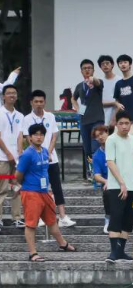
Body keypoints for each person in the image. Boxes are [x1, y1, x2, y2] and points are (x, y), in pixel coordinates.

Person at [13, 124, 76, 261]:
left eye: (41, 134)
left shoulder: (45, 151)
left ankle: (62, 244)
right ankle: (33, 253)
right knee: (31, 224)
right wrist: (20, 187)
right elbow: (17, 175)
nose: (39, 137)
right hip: (31, 193)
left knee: (52, 221)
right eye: (35, 134)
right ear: (30, 137)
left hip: (44, 192)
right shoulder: (27, 154)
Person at [23, 90, 75, 228]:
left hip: (51, 159)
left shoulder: (50, 116)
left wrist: (48, 152)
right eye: (36, 101)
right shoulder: (27, 119)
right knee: (39, 187)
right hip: (36, 160)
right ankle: (39, 216)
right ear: (31, 102)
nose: (39, 104)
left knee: (56, 186)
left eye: (41, 101)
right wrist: (39, 154)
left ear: (45, 102)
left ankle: (63, 216)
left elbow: (54, 135)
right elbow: (28, 138)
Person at [105, 111, 133, 262]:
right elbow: (110, 162)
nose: (124, 126)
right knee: (116, 216)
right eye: (121, 123)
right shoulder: (111, 140)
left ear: (131, 124)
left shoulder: (131, 138)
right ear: (116, 124)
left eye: (127, 123)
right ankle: (113, 252)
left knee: (129, 218)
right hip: (117, 186)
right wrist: (121, 183)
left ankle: (121, 251)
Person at [72, 60, 105, 167]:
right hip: (84, 121)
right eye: (84, 68)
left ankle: (99, 171)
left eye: (89, 68)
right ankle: (90, 171)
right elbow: (73, 98)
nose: (87, 70)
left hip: (97, 121)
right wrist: (77, 108)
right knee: (87, 150)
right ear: (81, 71)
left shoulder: (98, 82)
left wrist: (93, 79)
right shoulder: (79, 86)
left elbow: (98, 83)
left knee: (96, 147)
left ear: (93, 70)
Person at [0, 84, 23, 229]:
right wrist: (8, 153)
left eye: (14, 93)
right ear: (3, 96)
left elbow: (20, 135)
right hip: (2, 159)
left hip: (16, 160)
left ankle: (17, 218)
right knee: (2, 189)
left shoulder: (20, 115)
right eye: (9, 93)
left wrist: (19, 152)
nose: (12, 95)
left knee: (16, 187)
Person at [91, 125, 113, 233]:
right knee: (107, 191)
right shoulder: (96, 155)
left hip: (123, 180)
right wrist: (106, 181)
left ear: (107, 132)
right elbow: (97, 175)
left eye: (102, 133)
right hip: (108, 184)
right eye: (97, 136)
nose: (100, 137)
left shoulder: (117, 148)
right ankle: (108, 220)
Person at [97, 55, 121, 126]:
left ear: (112, 65)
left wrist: (114, 118)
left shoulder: (120, 80)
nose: (105, 65)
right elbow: (98, 102)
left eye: (107, 63)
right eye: (102, 64)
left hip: (118, 116)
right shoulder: (99, 82)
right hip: (103, 117)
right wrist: (113, 103)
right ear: (100, 67)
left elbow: (121, 101)